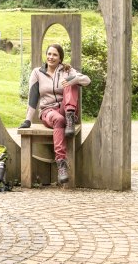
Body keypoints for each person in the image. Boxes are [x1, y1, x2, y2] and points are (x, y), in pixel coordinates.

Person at [19, 44, 90, 184]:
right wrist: (28, 119)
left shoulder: (67, 70)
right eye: (49, 54)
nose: (51, 57)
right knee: (58, 119)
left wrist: (72, 79)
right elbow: (33, 97)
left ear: (60, 58)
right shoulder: (37, 72)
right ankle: (61, 163)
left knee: (71, 83)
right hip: (48, 111)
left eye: (55, 55)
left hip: (65, 108)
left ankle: (70, 116)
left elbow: (87, 80)